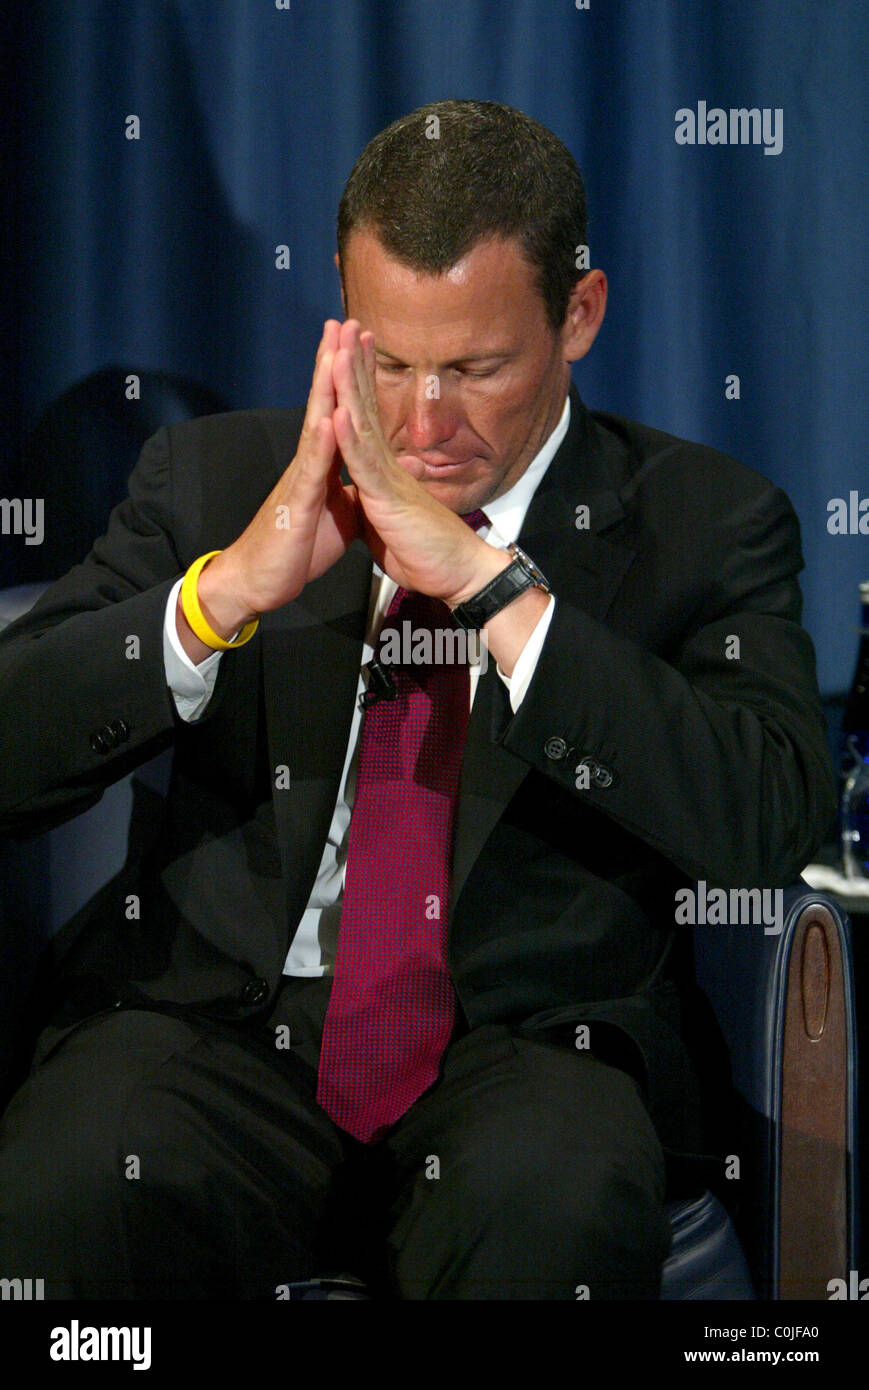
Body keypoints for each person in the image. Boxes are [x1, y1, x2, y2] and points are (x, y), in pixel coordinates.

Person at [0, 99, 834, 1300]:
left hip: (526, 1048)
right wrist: (223, 594)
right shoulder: (218, 481)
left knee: (548, 1203)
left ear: (579, 316)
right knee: (73, 1176)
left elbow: (770, 822)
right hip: (217, 1035)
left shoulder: (706, 522)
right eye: (388, 363)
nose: (422, 423)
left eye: (475, 368)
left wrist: (500, 596)